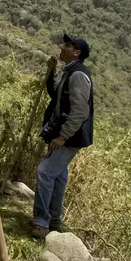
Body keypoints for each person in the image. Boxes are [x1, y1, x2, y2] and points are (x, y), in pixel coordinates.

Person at [31, 34, 93, 240]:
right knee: (57, 176)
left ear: (77, 52)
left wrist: (63, 137)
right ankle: (55, 221)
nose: (61, 47)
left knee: (45, 171)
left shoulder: (78, 75)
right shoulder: (69, 72)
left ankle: (41, 222)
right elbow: (55, 95)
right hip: (67, 135)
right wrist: (51, 72)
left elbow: (80, 111)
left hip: (70, 136)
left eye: (67, 46)